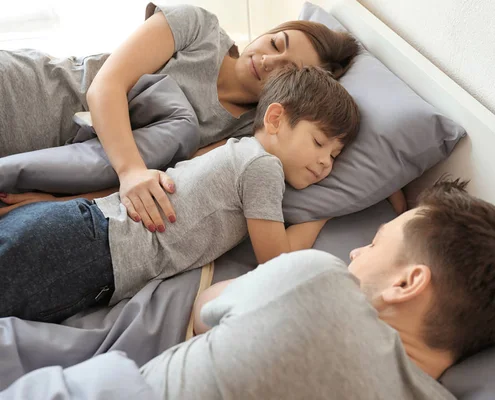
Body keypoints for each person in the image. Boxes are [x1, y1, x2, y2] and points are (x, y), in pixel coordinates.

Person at [137, 160, 495, 399]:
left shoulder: (318, 284)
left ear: (407, 283)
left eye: (375, 243)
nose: (355, 250)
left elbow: (203, 313)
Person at [0, 66, 361, 324]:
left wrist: (56, 204)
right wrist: (325, 210)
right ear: (276, 119)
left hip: (84, 232)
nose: (325, 164)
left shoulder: (231, 150)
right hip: (91, 251)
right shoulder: (262, 167)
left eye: (333, 155)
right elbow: (275, 263)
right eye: (318, 142)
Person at [0, 2, 359, 232]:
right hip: (25, 90)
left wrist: (60, 203)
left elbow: (161, 184)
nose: (268, 60)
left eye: (287, 70)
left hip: (38, 165)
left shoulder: (244, 136)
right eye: (276, 43)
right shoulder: (199, 28)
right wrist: (130, 172)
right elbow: (104, 88)